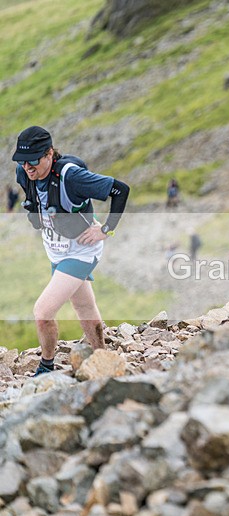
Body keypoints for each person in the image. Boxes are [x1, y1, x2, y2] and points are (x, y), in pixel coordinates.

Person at [12, 126, 129, 376]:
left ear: (49, 153)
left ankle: (46, 367)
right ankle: (101, 358)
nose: (28, 167)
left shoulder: (72, 177)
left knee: (43, 312)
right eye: (22, 161)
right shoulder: (24, 173)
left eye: (33, 160)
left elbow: (120, 189)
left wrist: (106, 229)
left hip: (81, 250)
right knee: (84, 305)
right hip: (55, 249)